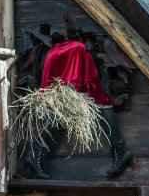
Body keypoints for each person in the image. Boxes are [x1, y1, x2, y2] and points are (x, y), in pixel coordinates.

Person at [33, 31, 131, 178]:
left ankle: (34, 156)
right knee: (93, 104)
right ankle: (34, 156)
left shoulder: (62, 51)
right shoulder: (73, 49)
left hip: (70, 73)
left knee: (74, 107)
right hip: (73, 70)